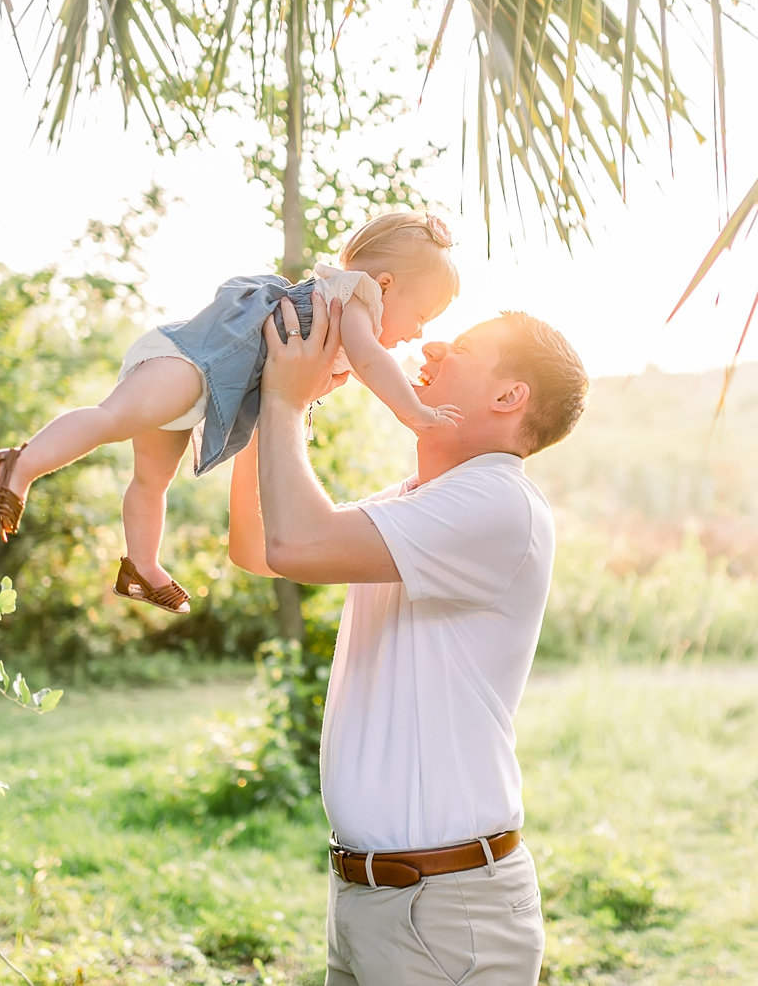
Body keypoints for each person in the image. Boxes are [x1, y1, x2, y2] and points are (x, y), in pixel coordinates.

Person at [228, 291, 589, 985]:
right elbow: (259, 545)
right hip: (376, 902)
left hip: (443, 912)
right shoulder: (417, 501)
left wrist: (286, 400)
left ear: (509, 396)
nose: (429, 349)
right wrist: (268, 400)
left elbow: (297, 542)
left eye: (461, 349)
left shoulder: (496, 501)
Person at [0, 211, 462, 614]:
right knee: (111, 419)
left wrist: (417, 384)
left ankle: (141, 568)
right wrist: (415, 412)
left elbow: (355, 368)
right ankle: (19, 466)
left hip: (197, 384)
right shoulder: (357, 296)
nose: (418, 333)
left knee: (151, 481)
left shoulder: (345, 308)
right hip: (190, 363)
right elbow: (372, 363)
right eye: (421, 317)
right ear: (385, 284)